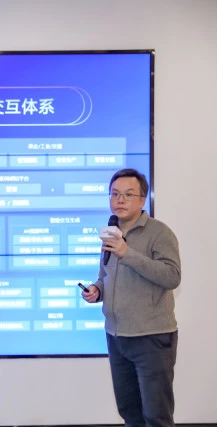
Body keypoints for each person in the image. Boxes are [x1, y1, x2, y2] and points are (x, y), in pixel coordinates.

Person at [81, 168, 181, 427]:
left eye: (128, 194)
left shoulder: (159, 233)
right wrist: (97, 290)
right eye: (115, 194)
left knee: (156, 415)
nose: (120, 200)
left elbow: (172, 276)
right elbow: (105, 276)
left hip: (151, 337)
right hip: (117, 337)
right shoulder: (110, 233)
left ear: (142, 199)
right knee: (130, 413)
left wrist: (127, 253)